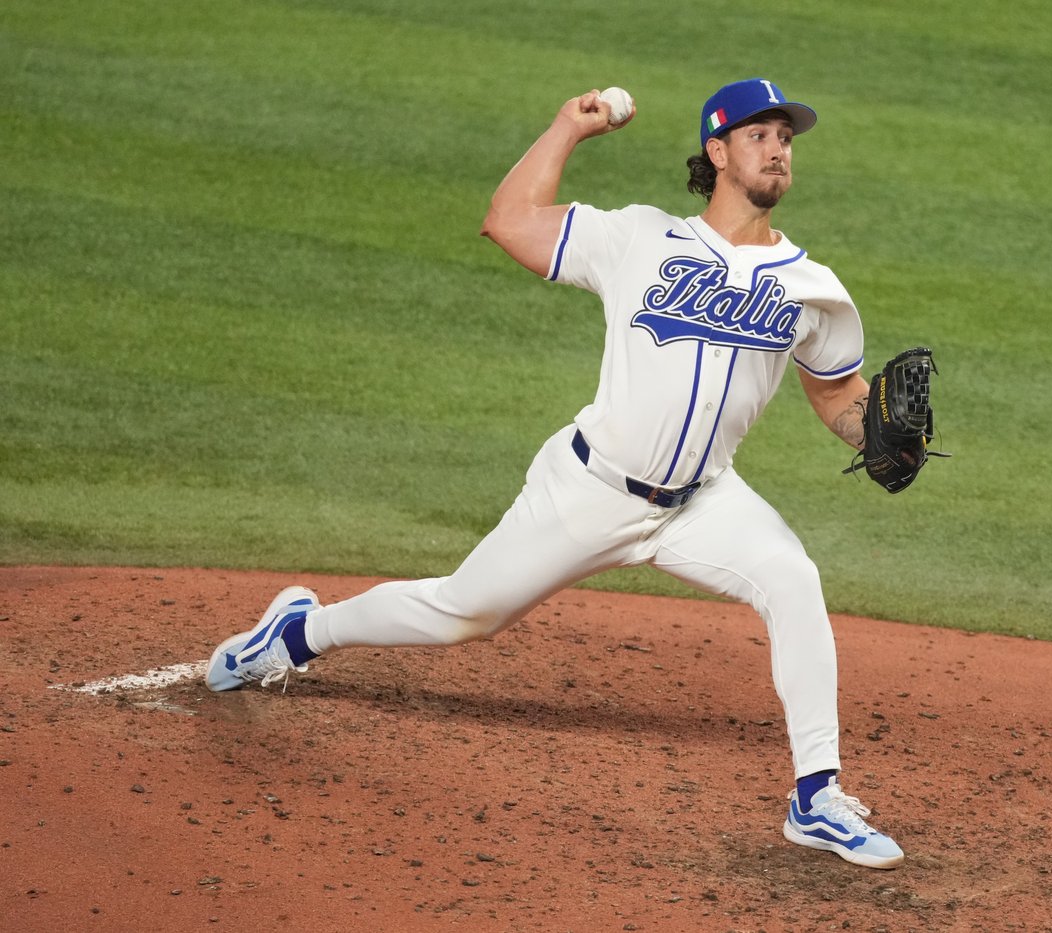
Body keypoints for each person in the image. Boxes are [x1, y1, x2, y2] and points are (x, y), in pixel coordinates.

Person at [205, 78, 905, 870]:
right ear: (717, 152)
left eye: (786, 136)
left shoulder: (814, 286)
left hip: (704, 501)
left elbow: (837, 393)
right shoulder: (641, 238)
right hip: (591, 488)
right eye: (760, 135)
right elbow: (507, 221)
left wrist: (880, 433)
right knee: (461, 612)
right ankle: (297, 632)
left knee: (793, 577)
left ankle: (816, 797)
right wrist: (568, 129)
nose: (779, 148)